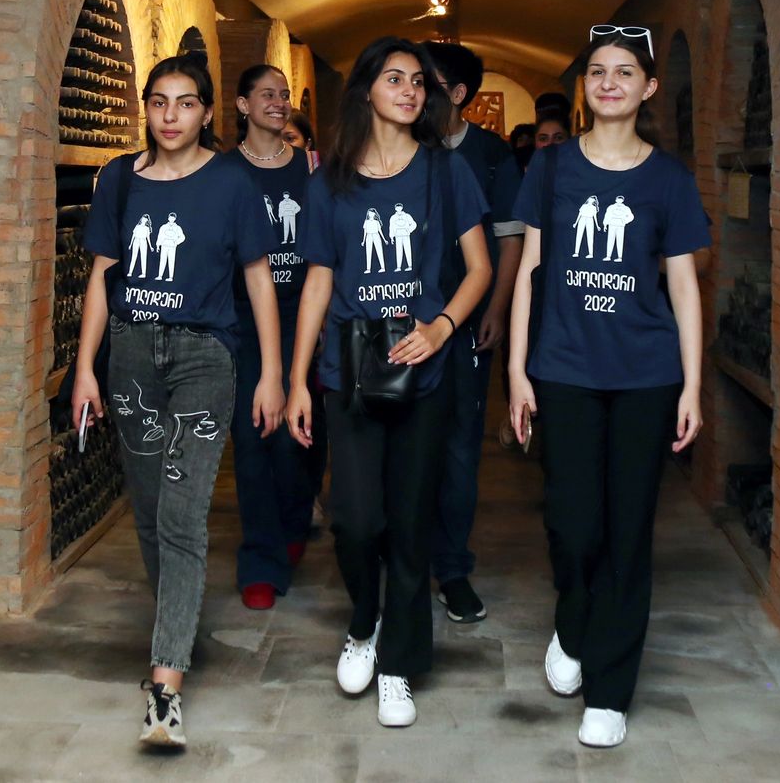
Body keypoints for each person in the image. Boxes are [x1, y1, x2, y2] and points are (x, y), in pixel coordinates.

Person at [70, 54, 285, 751]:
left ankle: (164, 689)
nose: (170, 116)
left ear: (207, 112)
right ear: (146, 108)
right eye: (159, 101)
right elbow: (102, 278)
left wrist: (272, 373)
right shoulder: (118, 180)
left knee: (184, 512)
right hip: (132, 354)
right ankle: (179, 624)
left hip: (205, 356)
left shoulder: (231, 182)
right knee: (150, 510)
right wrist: (85, 369)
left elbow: (259, 279)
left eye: (185, 103)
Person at [506, 26, 710, 751]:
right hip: (564, 369)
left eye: (625, 72)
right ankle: (573, 622)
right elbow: (530, 272)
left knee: (628, 529)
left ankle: (610, 689)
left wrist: (692, 385)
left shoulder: (668, 180)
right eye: (598, 71)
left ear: (648, 88)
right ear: (585, 85)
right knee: (572, 522)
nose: (610, 82)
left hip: (646, 376)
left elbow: (684, 287)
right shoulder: (551, 168)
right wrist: (516, 370)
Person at [285, 37, 492, 730]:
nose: (409, 91)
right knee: (353, 519)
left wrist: (442, 327)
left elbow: (480, 269)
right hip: (348, 370)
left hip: (422, 372)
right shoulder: (330, 180)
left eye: (418, 82)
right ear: (367, 89)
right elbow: (318, 281)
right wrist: (296, 380)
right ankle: (364, 621)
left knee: (409, 522)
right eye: (395, 78)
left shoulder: (445, 171)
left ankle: (399, 664)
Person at [420, 41, 524, 624]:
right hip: (404, 324)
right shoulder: (398, 150)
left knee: (460, 447)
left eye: (426, 81)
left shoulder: (490, 155)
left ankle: (452, 568)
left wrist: (497, 309)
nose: (414, 91)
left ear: (457, 94)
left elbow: (509, 240)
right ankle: (401, 561)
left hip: (464, 324)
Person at [227, 64, 323, 611]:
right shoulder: (223, 171)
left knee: (294, 436)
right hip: (241, 319)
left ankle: (293, 519)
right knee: (252, 436)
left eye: (284, 94)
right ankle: (261, 558)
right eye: (266, 94)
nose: (279, 102)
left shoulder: (309, 170)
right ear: (242, 105)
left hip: (300, 314)